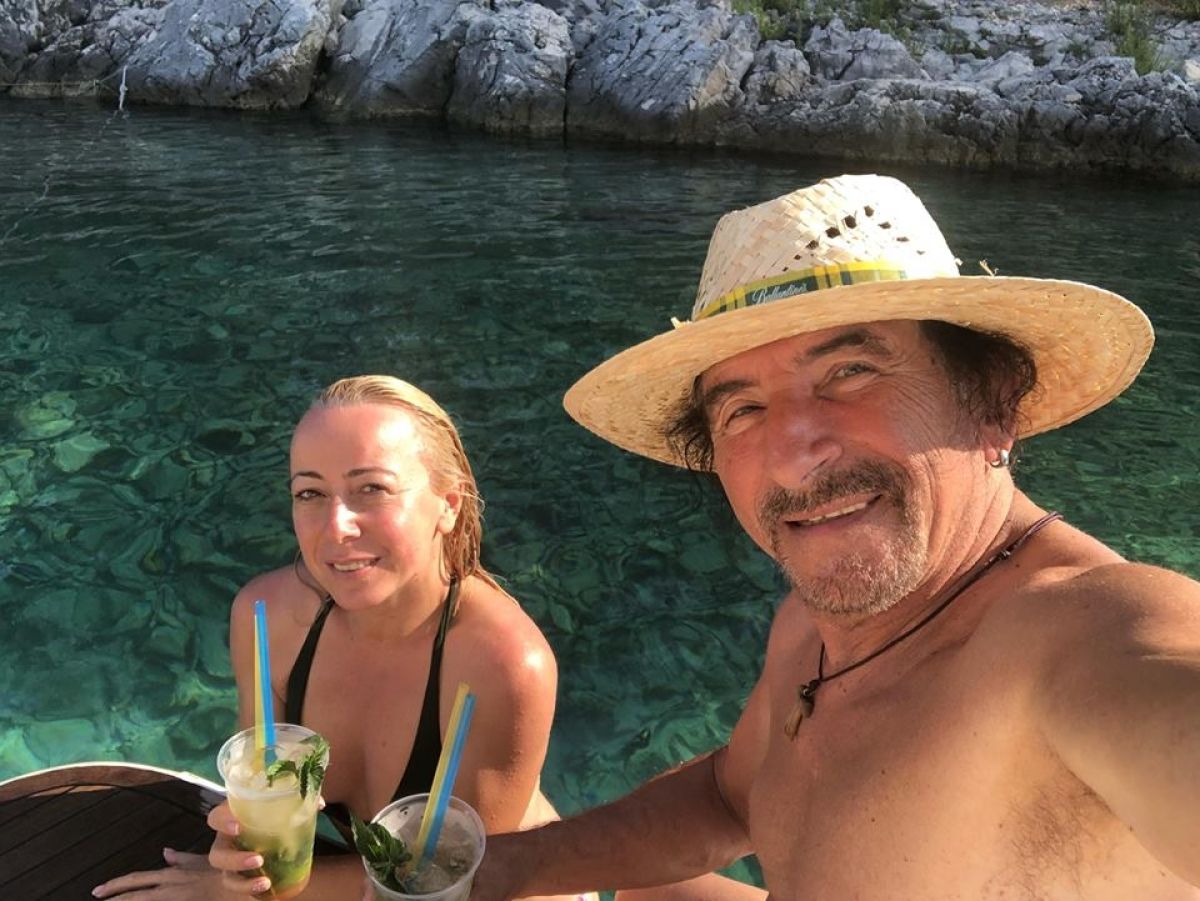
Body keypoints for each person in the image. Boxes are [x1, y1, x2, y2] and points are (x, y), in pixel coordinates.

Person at [468, 174, 1200, 899]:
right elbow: (730, 796)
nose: (792, 456)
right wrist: (503, 867)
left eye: (851, 371)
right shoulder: (809, 630)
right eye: (742, 409)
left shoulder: (1081, 638)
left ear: (993, 401)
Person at [94, 375, 563, 900]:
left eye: (372, 488)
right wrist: (240, 857)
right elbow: (260, 799)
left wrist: (229, 895)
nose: (336, 527)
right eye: (310, 493)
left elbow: (463, 884)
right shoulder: (267, 620)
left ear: (449, 504)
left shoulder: (501, 662)